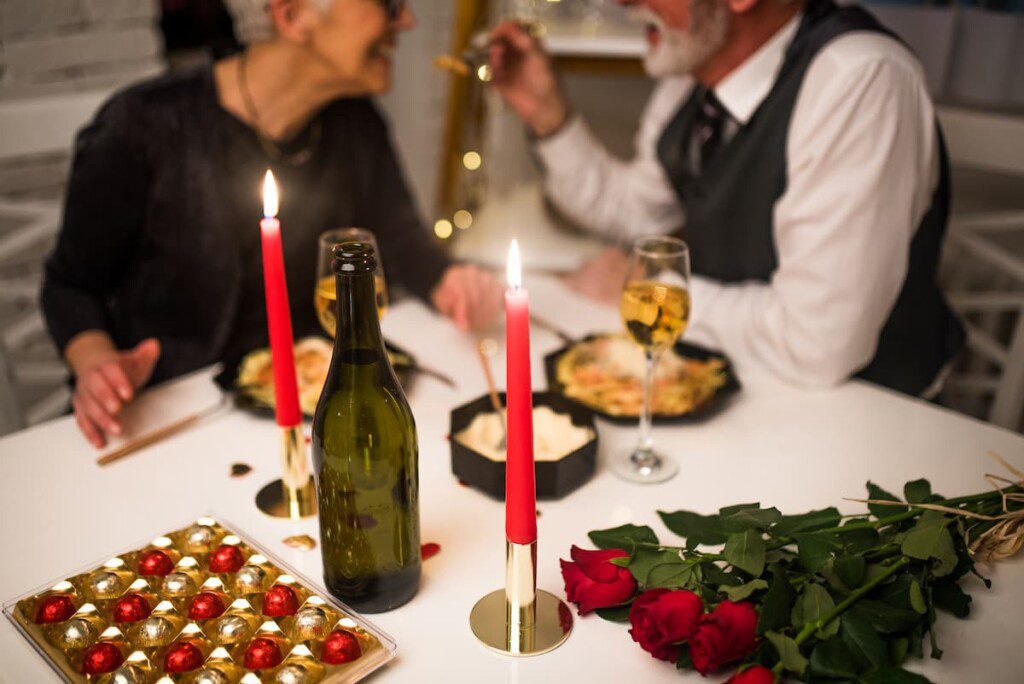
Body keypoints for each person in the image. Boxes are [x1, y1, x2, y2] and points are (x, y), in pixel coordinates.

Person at [41, 0, 502, 449]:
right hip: (167, 419)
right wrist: (97, 362)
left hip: (310, 406)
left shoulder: (357, 122)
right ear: (293, 15)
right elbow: (69, 285)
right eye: (387, 3)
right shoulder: (144, 125)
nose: (407, 20)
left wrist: (446, 280)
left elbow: (398, 241)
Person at [488, 0, 964, 396]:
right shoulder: (692, 74)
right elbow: (635, 213)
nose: (623, 3)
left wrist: (646, 294)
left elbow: (818, 343)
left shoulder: (859, 79)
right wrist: (547, 114)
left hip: (866, 418)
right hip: (739, 385)